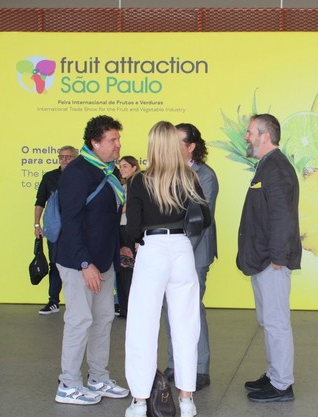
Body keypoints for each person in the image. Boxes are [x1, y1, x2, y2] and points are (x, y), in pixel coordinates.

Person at [124, 121, 211, 417]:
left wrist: (137, 241)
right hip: (182, 250)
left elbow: (133, 226)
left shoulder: (140, 180)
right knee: (186, 325)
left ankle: (139, 401)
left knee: (142, 326)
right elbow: (205, 219)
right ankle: (186, 399)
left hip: (152, 249)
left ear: (152, 146)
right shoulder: (189, 177)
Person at [54, 115, 129, 405]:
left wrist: (118, 249)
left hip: (104, 261)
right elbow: (71, 222)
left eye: (118, 139)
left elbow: (107, 219)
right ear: (95, 143)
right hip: (80, 263)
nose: (118, 144)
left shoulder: (108, 172)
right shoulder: (77, 173)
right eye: (112, 140)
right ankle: (68, 384)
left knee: (103, 319)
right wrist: (85, 264)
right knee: (80, 320)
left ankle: (98, 377)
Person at [237, 114, 302, 403]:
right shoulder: (268, 165)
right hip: (264, 258)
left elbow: (281, 217)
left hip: (271, 261)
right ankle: (275, 373)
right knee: (268, 320)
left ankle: (282, 384)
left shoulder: (277, 168)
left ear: (265, 136)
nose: (246, 137)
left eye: (250, 132)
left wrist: (278, 258)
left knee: (276, 323)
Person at [163, 123, 219, 390]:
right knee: (170, 308)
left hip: (194, 253)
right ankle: (174, 363)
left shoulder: (205, 175)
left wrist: (179, 252)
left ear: (191, 147)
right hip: (171, 252)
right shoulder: (167, 172)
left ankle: (200, 368)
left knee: (191, 308)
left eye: (177, 142)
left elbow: (200, 221)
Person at [34, 145, 78, 314]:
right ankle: (53, 301)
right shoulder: (50, 177)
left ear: (76, 158)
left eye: (68, 156)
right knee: (54, 264)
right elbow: (40, 202)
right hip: (55, 229)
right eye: (61, 157)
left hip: (77, 228)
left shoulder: (82, 176)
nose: (64, 160)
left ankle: (77, 302)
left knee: (78, 264)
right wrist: (36, 225)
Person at [116, 155, 141, 318]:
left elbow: (129, 209)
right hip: (120, 230)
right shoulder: (123, 187)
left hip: (131, 231)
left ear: (134, 167)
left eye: (125, 166)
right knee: (122, 269)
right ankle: (124, 307)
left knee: (130, 270)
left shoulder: (137, 186)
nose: (121, 169)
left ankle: (131, 308)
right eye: (120, 166)